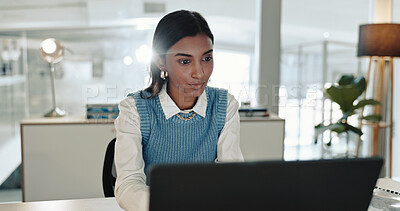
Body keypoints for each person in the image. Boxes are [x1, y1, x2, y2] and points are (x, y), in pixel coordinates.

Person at [114, 10, 244, 210]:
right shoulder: (134, 109)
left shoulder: (225, 105)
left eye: (206, 59)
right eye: (185, 61)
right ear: (160, 61)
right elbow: (128, 183)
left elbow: (231, 176)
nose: (199, 73)